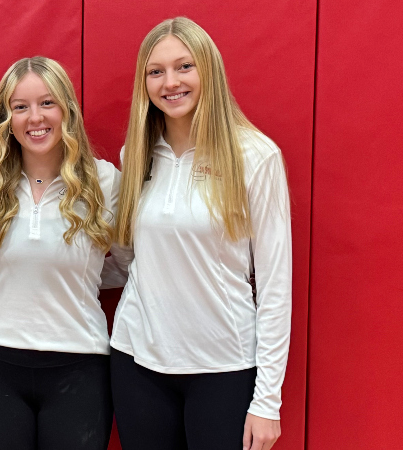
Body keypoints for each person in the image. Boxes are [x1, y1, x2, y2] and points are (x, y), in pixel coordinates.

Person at [108, 17, 291, 450]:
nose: (170, 82)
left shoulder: (255, 156)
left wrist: (267, 400)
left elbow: (274, 285)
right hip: (137, 360)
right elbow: (129, 254)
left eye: (184, 66)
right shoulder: (135, 155)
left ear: (208, 70)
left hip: (222, 366)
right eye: (156, 71)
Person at [0, 57, 124, 450]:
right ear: (7, 119)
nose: (35, 117)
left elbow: (129, 265)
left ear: (67, 108)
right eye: (20, 107)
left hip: (80, 364)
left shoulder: (105, 181)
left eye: (47, 103)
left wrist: (77, 280)